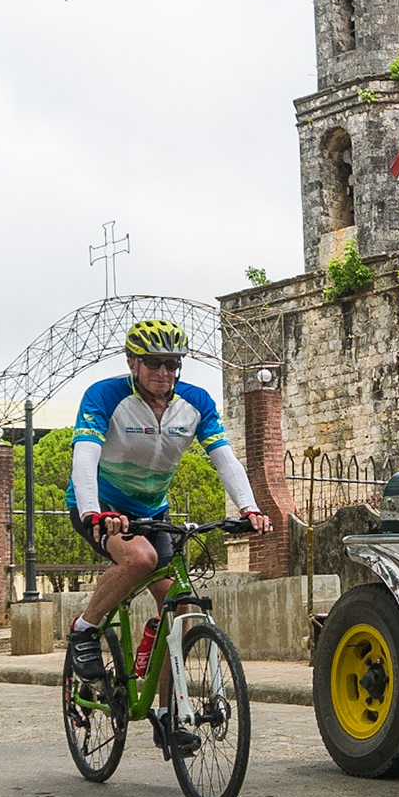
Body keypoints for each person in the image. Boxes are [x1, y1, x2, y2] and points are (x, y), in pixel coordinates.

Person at [64, 319, 273, 756]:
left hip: (152, 513)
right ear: (133, 364)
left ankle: (167, 715)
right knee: (138, 560)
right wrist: (94, 512)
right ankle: (84, 630)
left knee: (179, 609)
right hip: (102, 507)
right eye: (155, 364)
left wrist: (249, 507)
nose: (165, 373)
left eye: (173, 365)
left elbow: (225, 460)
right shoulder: (105, 396)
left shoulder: (195, 403)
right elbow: (85, 457)